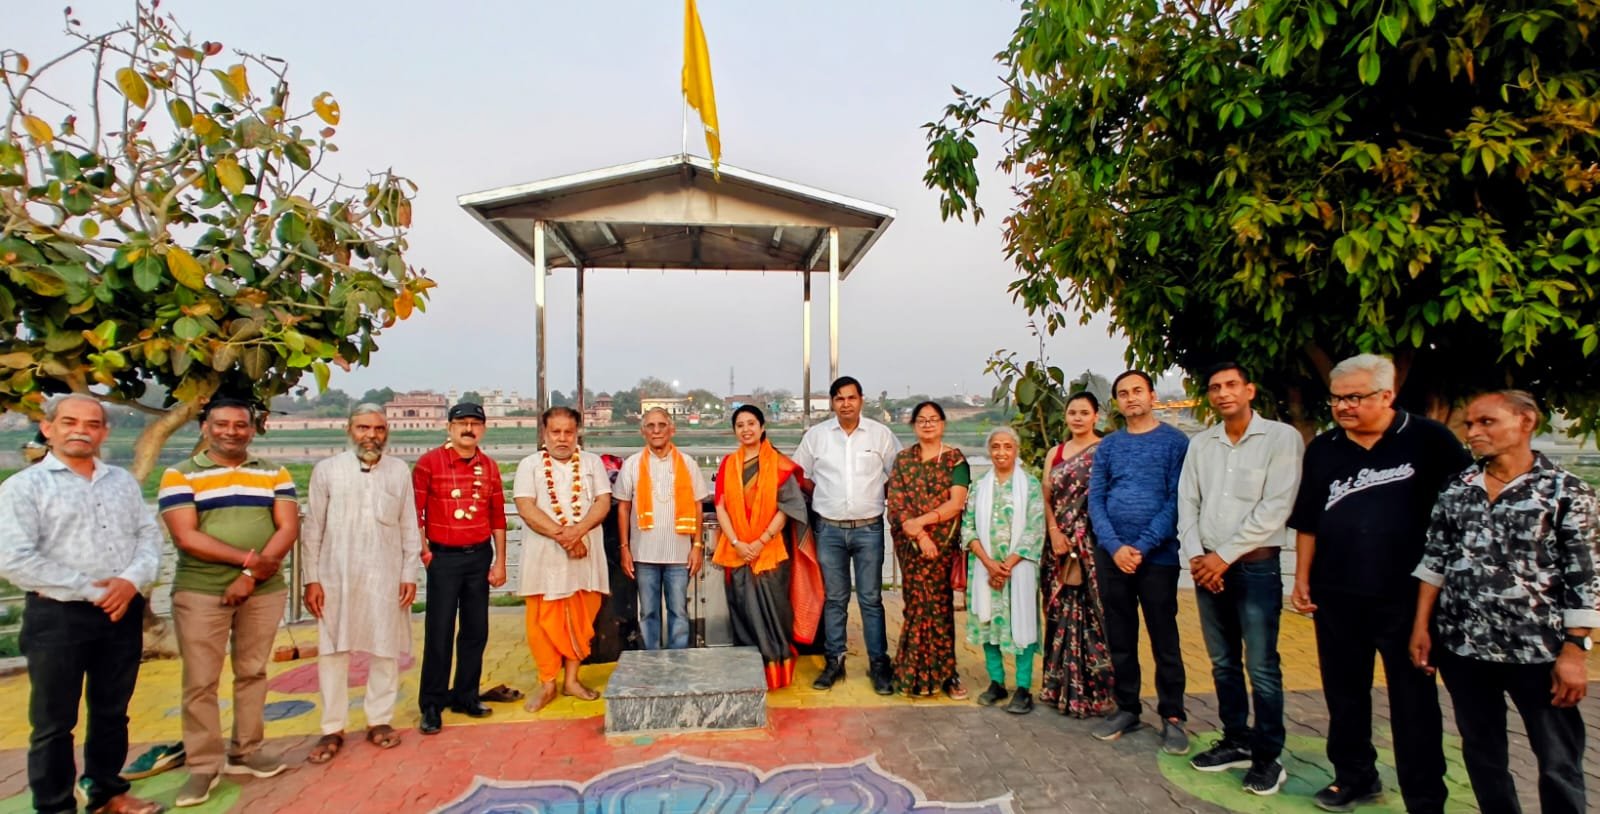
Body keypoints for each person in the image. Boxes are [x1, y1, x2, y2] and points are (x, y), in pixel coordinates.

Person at [1289, 353, 1470, 814]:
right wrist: (1302, 580)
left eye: (1355, 397)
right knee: (1344, 694)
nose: (1344, 407)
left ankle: (1425, 797)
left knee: (1414, 703)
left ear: (1387, 395)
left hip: (1407, 600)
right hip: (1337, 595)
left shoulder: (1431, 442)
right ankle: (1354, 776)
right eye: (1336, 399)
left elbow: (1462, 517)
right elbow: (1308, 521)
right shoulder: (1326, 448)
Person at [1410, 390, 1597, 814]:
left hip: (1538, 652)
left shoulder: (1567, 492)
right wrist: (1423, 627)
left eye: (1486, 422)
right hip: (1464, 647)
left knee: (1557, 761)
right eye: (1471, 424)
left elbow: (1585, 578)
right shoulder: (1459, 488)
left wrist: (1575, 650)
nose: (1473, 432)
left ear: (1526, 422)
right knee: (1482, 754)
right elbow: (1435, 559)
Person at [0, 395, 163, 814]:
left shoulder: (121, 482)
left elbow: (148, 536)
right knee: (53, 723)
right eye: (70, 422)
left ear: (104, 432)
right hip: (59, 617)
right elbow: (15, 558)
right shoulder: (24, 487)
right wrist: (94, 591)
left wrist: (129, 582)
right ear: (48, 427)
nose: (81, 430)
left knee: (112, 711)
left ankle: (108, 793)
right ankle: (55, 806)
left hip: (120, 613)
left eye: (92, 424)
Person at [159, 398, 296, 807]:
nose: (232, 431)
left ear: (252, 430)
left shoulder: (274, 472)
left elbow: (287, 526)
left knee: (252, 670)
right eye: (222, 424)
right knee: (201, 680)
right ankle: (203, 764)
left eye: (241, 425)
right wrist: (248, 563)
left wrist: (251, 576)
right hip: (201, 589)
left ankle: (246, 749)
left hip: (263, 590)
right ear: (205, 427)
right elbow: (187, 537)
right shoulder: (179, 475)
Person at [1178, 363, 1303, 796]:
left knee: (1262, 667)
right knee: (1223, 663)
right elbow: (1187, 502)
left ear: (1249, 389)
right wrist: (1198, 556)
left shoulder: (1281, 439)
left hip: (1255, 567)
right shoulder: (1202, 444)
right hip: (1206, 569)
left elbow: (1276, 506)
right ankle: (1236, 740)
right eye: (1214, 387)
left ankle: (1269, 757)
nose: (1223, 393)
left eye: (1232, 385)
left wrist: (1222, 558)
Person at [301, 405, 423, 764]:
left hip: (385, 574)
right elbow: (312, 530)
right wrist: (311, 579)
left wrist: (408, 574)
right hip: (335, 576)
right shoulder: (327, 471)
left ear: (387, 433)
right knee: (333, 651)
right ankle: (333, 726)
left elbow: (408, 527)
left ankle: (379, 720)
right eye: (363, 428)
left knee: (386, 649)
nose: (371, 435)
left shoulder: (399, 470)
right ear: (349, 429)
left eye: (379, 429)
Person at [1088, 370, 1191, 754]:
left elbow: (1177, 500)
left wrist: (1143, 545)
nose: (1131, 398)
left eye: (1137, 391)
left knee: (1165, 638)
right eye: (1123, 394)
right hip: (1113, 556)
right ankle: (1127, 707)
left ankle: (1173, 716)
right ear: (1116, 402)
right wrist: (1114, 546)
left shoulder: (1175, 442)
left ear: (1152, 396)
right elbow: (1096, 500)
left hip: (1158, 557)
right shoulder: (1109, 447)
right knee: (1120, 637)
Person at [792, 376, 903, 694]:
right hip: (829, 530)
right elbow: (801, 475)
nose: (846, 404)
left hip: (869, 529)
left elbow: (899, 472)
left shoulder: (880, 435)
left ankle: (879, 665)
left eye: (851, 398)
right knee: (835, 599)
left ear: (861, 400)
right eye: (839, 399)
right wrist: (825, 498)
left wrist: (876, 495)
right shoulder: (817, 436)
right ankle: (834, 662)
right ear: (832, 403)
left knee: (871, 599)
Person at [412, 401, 508, 735]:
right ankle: (432, 704)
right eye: (462, 423)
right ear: (449, 427)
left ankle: (466, 695)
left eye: (475, 423)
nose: (469, 429)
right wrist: (425, 553)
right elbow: (416, 514)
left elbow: (498, 516)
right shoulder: (429, 464)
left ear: (483, 428)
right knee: (438, 632)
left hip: (479, 556)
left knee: (475, 630)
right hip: (443, 558)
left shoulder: (490, 466)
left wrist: (501, 561)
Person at [513, 406, 612, 712]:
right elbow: (526, 508)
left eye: (568, 432)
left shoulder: (593, 463)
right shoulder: (529, 465)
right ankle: (547, 684)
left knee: (581, 620)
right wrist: (565, 537)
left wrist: (578, 532)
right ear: (544, 434)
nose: (562, 438)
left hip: (586, 557)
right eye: (555, 432)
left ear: (577, 432)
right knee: (541, 624)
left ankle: (571, 680)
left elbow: (603, 502)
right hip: (544, 561)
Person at [713, 404, 811, 689]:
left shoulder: (779, 464)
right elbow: (721, 507)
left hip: (769, 552)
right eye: (740, 425)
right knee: (743, 613)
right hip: (736, 552)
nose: (746, 429)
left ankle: (776, 673)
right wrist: (737, 542)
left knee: (773, 613)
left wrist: (759, 541)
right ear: (734, 431)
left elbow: (789, 507)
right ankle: (749, 676)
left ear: (762, 427)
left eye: (751, 423)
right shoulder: (728, 465)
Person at [885, 401, 971, 699]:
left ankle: (947, 674)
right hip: (912, 547)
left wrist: (922, 523)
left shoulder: (955, 461)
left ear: (943, 424)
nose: (928, 424)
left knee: (939, 608)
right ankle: (910, 672)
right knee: (915, 607)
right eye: (921, 420)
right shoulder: (903, 461)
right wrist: (919, 535)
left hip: (942, 547)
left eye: (934, 419)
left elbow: (955, 504)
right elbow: (896, 504)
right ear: (913, 426)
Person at [1038, 391, 1115, 718]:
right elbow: (1046, 498)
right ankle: (1057, 686)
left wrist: (1083, 535)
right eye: (1073, 412)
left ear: (1096, 416)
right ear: (1066, 417)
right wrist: (1055, 532)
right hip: (1057, 547)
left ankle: (1097, 692)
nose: (1078, 418)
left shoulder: (1105, 451)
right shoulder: (1055, 453)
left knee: (1095, 618)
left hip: (1092, 546)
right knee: (1059, 615)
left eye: (1085, 412)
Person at [961, 426, 1045, 714]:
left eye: (1007, 446)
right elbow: (967, 527)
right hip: (984, 569)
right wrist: (988, 563)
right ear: (989, 450)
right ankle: (996, 682)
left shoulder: (1030, 485)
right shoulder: (980, 485)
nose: (1001, 452)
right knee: (988, 625)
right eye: (996, 446)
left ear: (1016, 450)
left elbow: (1035, 530)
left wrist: (1007, 565)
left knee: (1020, 623)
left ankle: (1023, 687)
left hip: (1017, 570)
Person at [613, 409, 710, 650]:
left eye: (661, 425)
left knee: (678, 611)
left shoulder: (687, 463)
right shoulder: (632, 465)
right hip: (643, 554)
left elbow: (698, 506)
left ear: (671, 429)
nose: (656, 431)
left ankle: (678, 664)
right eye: (650, 426)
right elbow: (623, 508)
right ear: (642, 431)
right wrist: (624, 548)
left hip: (679, 555)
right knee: (648, 613)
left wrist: (697, 546)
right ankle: (651, 663)